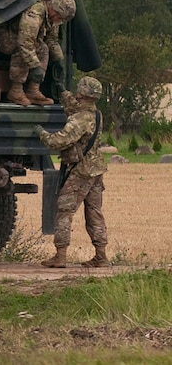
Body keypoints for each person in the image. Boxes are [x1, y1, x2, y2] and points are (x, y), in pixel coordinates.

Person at [34, 76, 109, 268]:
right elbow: (75, 108)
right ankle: (101, 255)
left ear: (82, 92)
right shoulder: (96, 114)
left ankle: (60, 255)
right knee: (94, 213)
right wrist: (63, 93)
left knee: (64, 211)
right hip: (96, 169)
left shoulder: (79, 119)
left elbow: (59, 141)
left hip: (80, 171)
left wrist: (41, 133)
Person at [0, 0, 76, 106]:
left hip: (21, 37)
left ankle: (33, 91)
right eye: (59, 15)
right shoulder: (35, 13)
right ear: (53, 7)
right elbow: (24, 43)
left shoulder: (53, 17)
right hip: (1, 34)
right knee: (23, 48)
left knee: (43, 48)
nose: (59, 19)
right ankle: (16, 90)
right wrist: (35, 66)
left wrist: (59, 59)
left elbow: (51, 40)